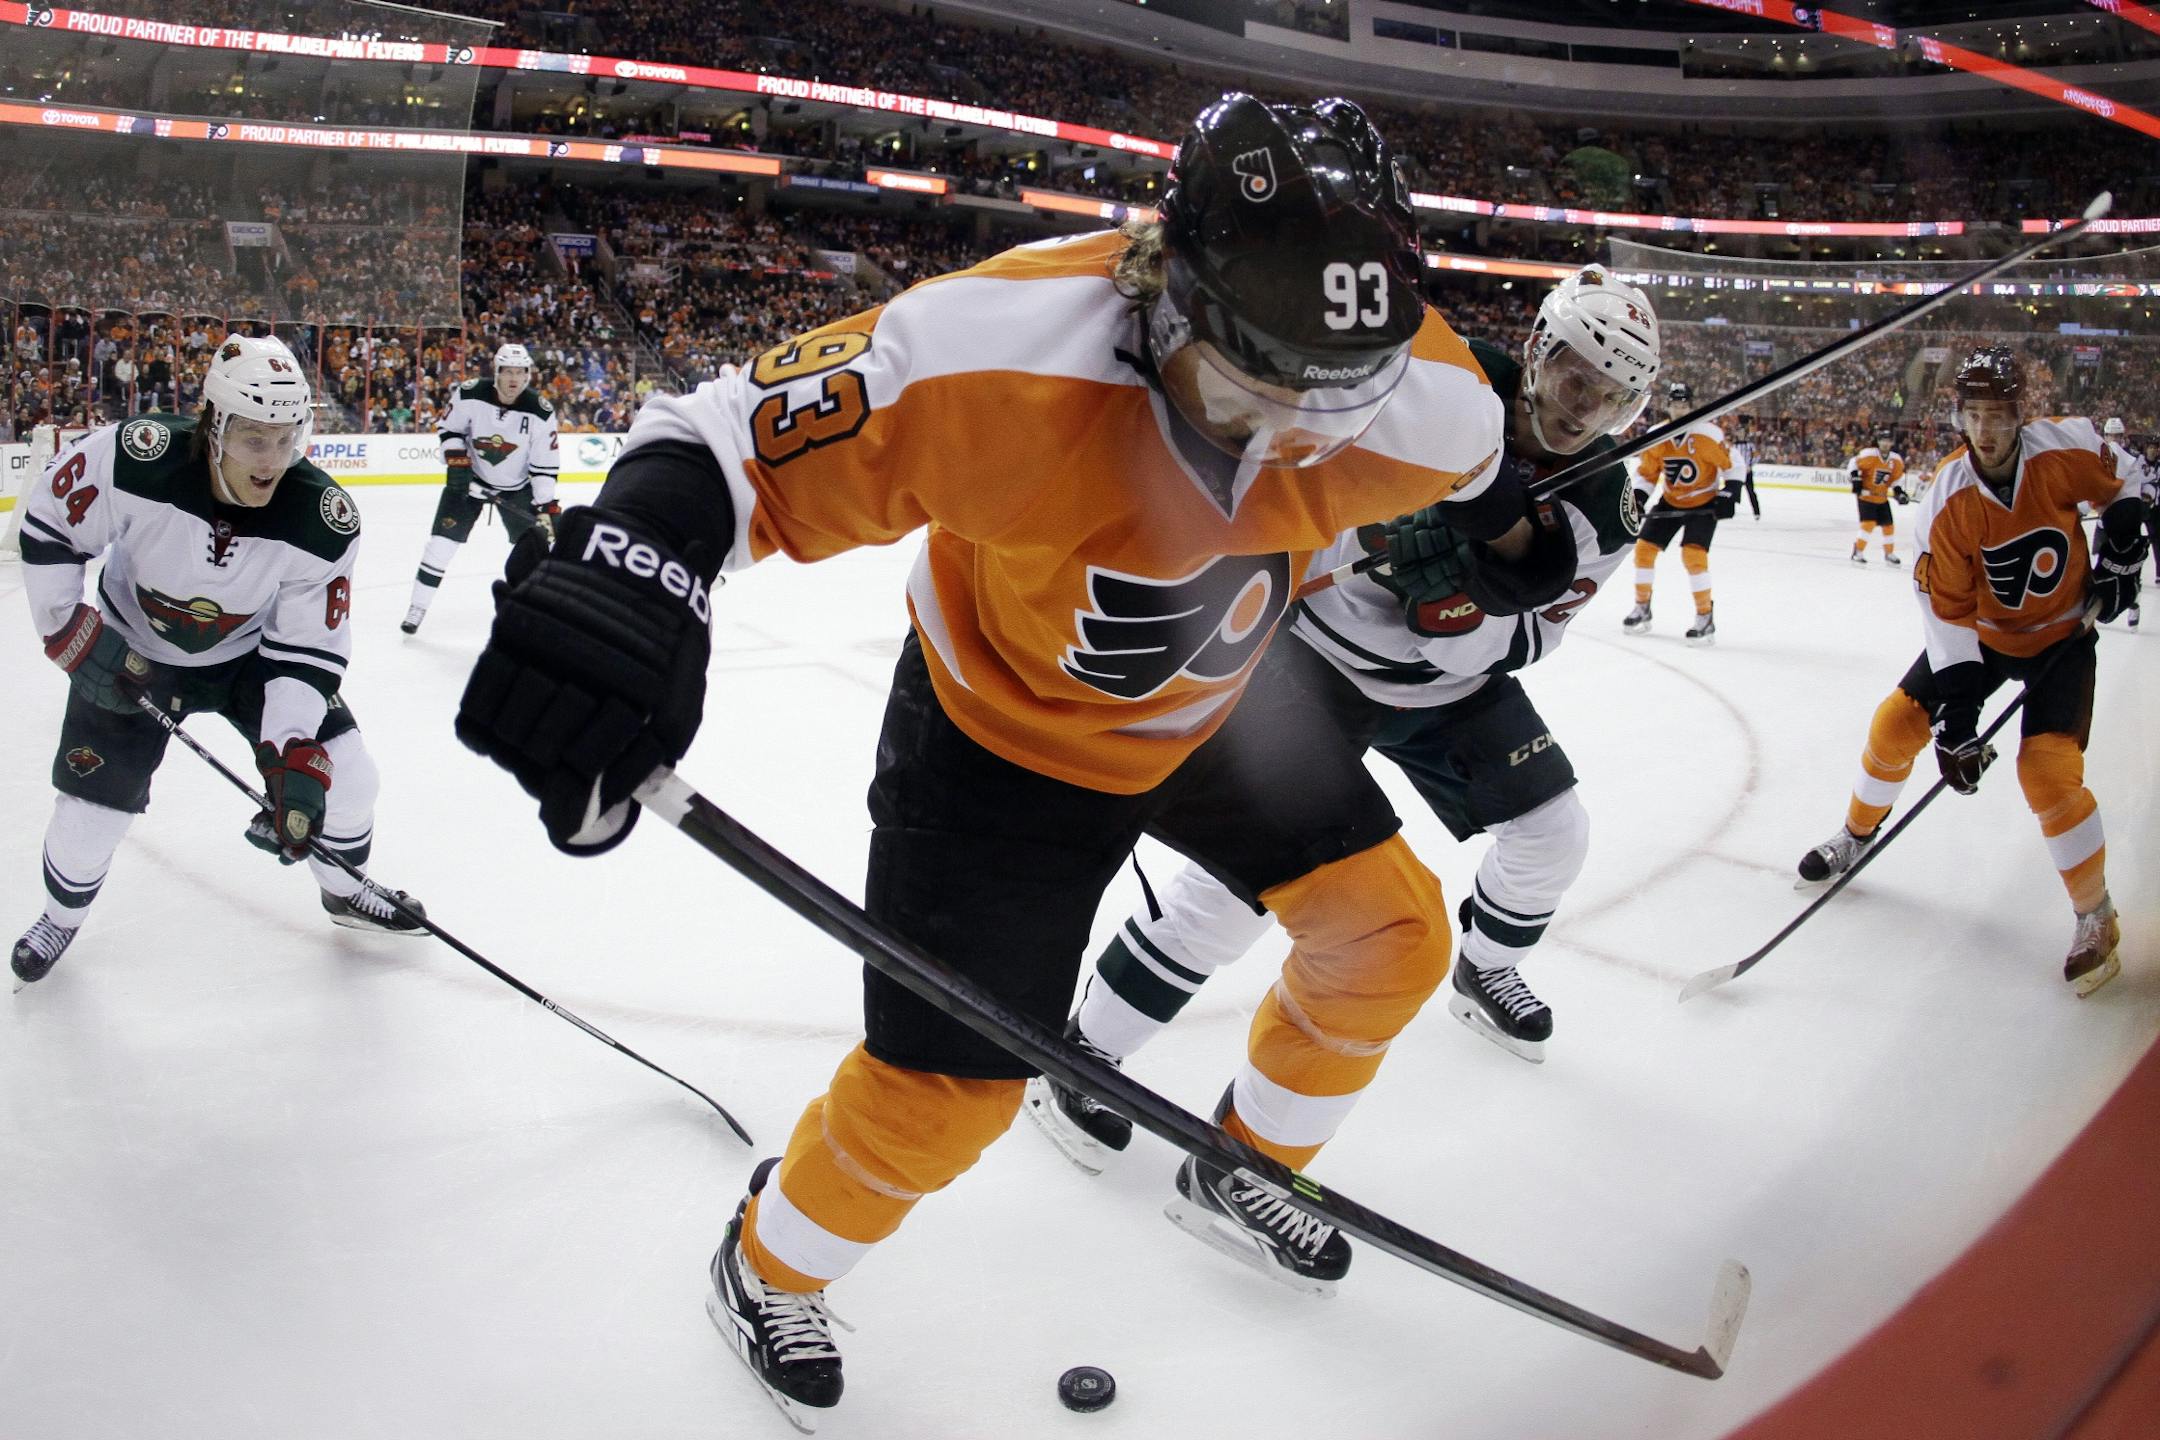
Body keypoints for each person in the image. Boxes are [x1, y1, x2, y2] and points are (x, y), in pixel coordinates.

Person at [453, 94, 1542, 1429]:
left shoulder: (1422, 398)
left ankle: (1246, 1165)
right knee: (946, 1102)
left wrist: (1514, 538)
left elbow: (1480, 471)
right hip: (999, 738)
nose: (1286, 444)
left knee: (1392, 937)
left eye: (1330, 409)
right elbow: (721, 439)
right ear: (1171, 296)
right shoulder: (998, 349)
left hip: (1222, 714)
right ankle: (770, 1263)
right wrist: (637, 574)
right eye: (1251, 391)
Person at [1026, 265, 1661, 1171]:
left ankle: (1485, 967)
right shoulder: (1444, 383)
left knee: (1554, 832)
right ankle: (1086, 1048)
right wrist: (1375, 538)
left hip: (1444, 689)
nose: (1583, 410)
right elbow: (1308, 474)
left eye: (1613, 398)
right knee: (1239, 886)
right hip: (1312, 658)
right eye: (1574, 378)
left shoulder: (1605, 504)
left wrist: (1457, 612)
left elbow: (1532, 639)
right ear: (1537, 350)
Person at [11, 336, 425, 988]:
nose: (272, 459)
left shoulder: (323, 519)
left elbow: (307, 648)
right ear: (213, 424)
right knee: (90, 816)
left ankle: (346, 891)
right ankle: (59, 918)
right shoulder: (135, 458)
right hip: (130, 652)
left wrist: (289, 748)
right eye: (255, 438)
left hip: (251, 659)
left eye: (286, 438)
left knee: (348, 778)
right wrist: (68, 631)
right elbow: (49, 525)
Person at [1796, 348, 2144, 997]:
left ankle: (2095, 913)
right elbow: (1947, 613)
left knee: (2047, 773)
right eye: (1974, 415)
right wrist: (1958, 720)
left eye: (1999, 414)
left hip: (2062, 636)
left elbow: (2130, 479)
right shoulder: (1947, 499)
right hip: (1983, 638)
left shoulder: (2064, 448)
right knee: (1896, 723)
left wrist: (2123, 545)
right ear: (1960, 416)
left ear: (2020, 414)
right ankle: (1856, 833)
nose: (1986, 430)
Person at [399, 342, 559, 635]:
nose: (514, 379)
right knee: (440, 546)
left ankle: (536, 612)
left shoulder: (540, 412)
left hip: (516, 489)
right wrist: (457, 460)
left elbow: (544, 465)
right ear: (496, 372)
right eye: (508, 371)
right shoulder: (470, 393)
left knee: (535, 550)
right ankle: (417, 607)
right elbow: (450, 430)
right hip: (469, 484)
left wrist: (545, 504)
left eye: (520, 372)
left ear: (528, 375)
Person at [1621, 380, 1732, 643]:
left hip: (1703, 502)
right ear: (1668, 406)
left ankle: (1705, 616)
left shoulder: (1708, 434)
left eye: (1684, 404)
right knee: (1644, 550)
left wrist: (1729, 493)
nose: (1679, 409)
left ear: (1691, 406)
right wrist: (1639, 498)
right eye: (1675, 404)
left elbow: (1733, 465)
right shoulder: (1658, 434)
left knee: (1693, 556)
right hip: (1671, 500)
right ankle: (1642, 607)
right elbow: (1648, 473)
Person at [2101, 417, 2154, 627]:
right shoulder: (2100, 456)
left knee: (2130, 565)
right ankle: (2098, 602)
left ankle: (2133, 602)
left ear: (2122, 437)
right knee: (2102, 563)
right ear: (2105, 436)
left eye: (2117, 436)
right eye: (2110, 435)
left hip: (2128, 518)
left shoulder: (2133, 459)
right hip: (2107, 520)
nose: (2113, 439)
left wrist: (2148, 497)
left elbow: (2147, 483)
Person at [1846, 433, 1907, 566]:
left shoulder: (1896, 460)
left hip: (1881, 498)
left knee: (1888, 526)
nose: (1885, 443)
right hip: (1866, 496)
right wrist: (1856, 480)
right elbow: (1853, 464)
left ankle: (1889, 553)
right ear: (1878, 442)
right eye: (1883, 441)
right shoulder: (1869, 454)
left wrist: (1899, 492)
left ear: (1892, 443)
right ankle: (1858, 552)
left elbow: (1896, 480)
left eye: (1888, 441)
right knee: (1868, 523)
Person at [1725, 419, 1760, 521]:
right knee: (1732, 492)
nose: (1740, 434)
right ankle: (1729, 512)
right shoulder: (1733, 446)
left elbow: (1757, 456)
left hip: (1747, 472)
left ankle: (1756, 512)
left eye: (1742, 432)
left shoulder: (1750, 445)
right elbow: (1729, 457)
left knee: (1751, 492)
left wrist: (1750, 466)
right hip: (1736, 473)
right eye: (1739, 432)